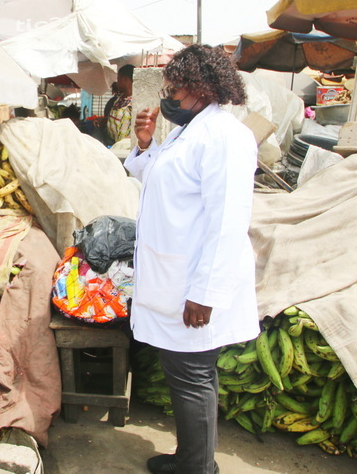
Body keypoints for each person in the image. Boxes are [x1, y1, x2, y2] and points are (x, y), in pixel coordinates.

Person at [124, 45, 259, 474]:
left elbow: (227, 222)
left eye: (175, 91)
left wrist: (205, 293)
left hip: (193, 284)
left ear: (203, 88)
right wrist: (146, 146)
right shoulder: (189, 131)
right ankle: (192, 459)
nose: (168, 100)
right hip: (173, 276)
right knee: (186, 376)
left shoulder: (226, 137)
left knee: (192, 376)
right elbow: (166, 185)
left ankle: (197, 468)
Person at [107, 65, 135, 143]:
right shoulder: (119, 100)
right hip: (112, 144)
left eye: (118, 78)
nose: (117, 82)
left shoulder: (133, 104)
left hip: (122, 148)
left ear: (125, 79)